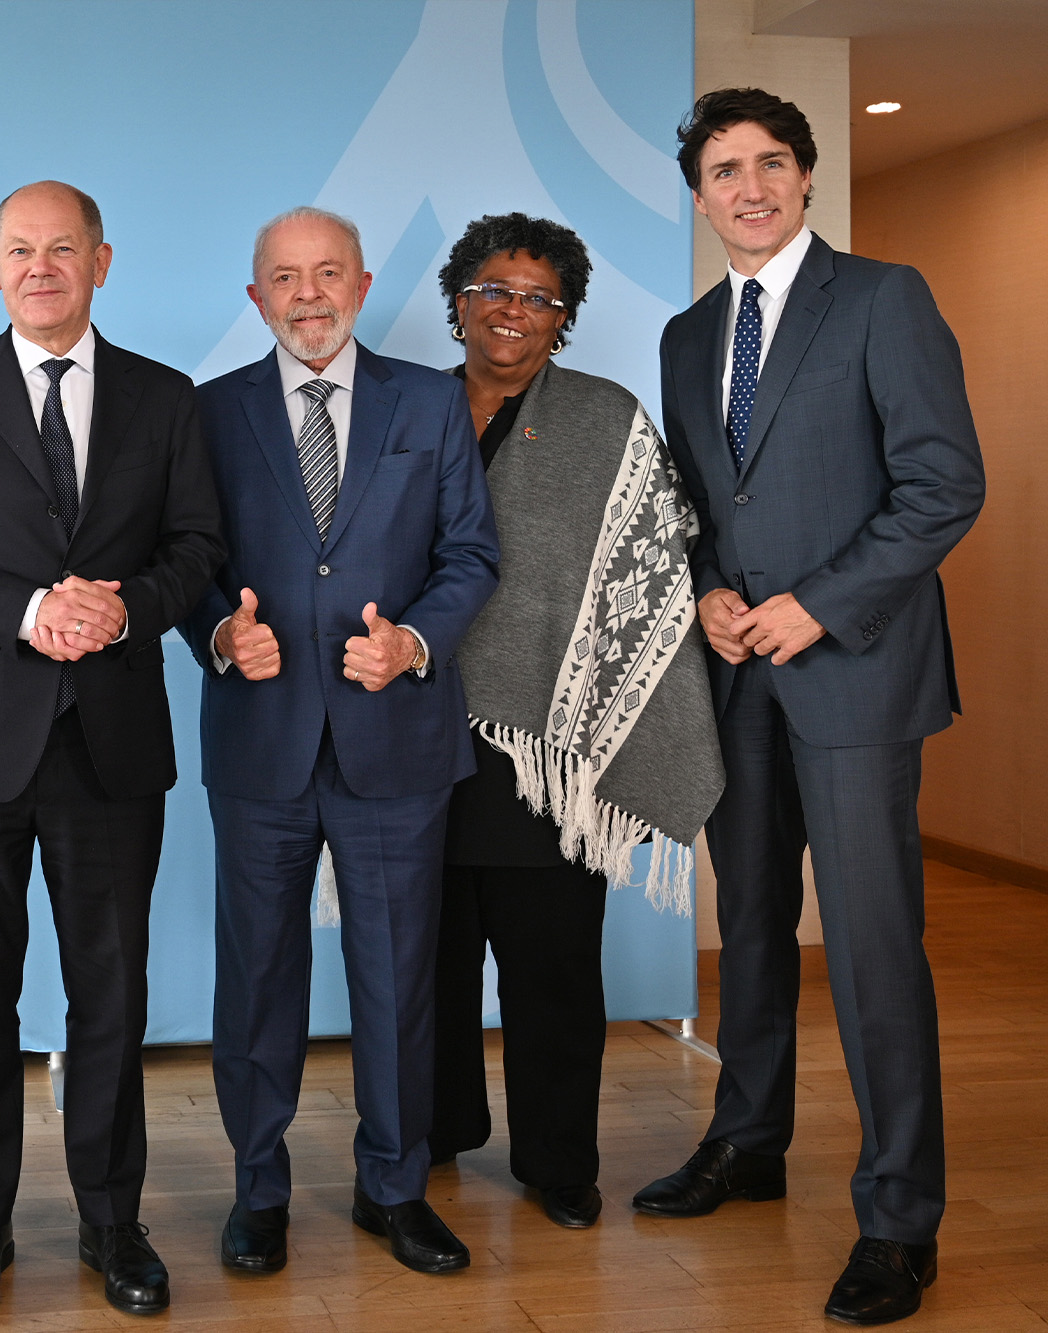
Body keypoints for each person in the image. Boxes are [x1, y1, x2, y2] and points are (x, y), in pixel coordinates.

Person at [635, 88, 983, 1326]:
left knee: (874, 945)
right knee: (754, 930)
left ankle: (898, 1219)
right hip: (735, 673)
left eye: (768, 163)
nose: (747, 186)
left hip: (853, 670)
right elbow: (687, 506)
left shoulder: (883, 299)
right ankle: (748, 1140)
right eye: (722, 169)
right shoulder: (684, 336)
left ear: (802, 176)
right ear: (699, 194)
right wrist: (708, 599)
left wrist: (814, 607)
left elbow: (943, 484)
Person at [0, 180, 223, 1320]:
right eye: (18, 250)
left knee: (108, 998)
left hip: (111, 744)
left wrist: (124, 610)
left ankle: (110, 1224)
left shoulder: (165, 399)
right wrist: (30, 611)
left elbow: (195, 546)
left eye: (60, 249)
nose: (40, 267)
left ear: (101, 262)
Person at [183, 206, 500, 1278]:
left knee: (398, 978)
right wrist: (218, 635)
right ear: (256, 297)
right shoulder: (208, 413)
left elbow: (469, 555)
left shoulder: (428, 401)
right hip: (259, 745)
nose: (307, 294)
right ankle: (257, 1187)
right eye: (284, 276)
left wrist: (410, 641)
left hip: (394, 745)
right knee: (256, 977)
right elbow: (186, 560)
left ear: (362, 285)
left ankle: (393, 1187)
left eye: (327, 274)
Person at [424, 214, 725, 1230]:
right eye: (492, 289)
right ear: (455, 298)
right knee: (422, 953)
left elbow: (654, 567)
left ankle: (556, 1160)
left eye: (537, 298)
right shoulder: (404, 409)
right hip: (411, 731)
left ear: (564, 317)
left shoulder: (605, 419)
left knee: (550, 967)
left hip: (549, 752)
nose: (512, 312)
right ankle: (432, 1129)